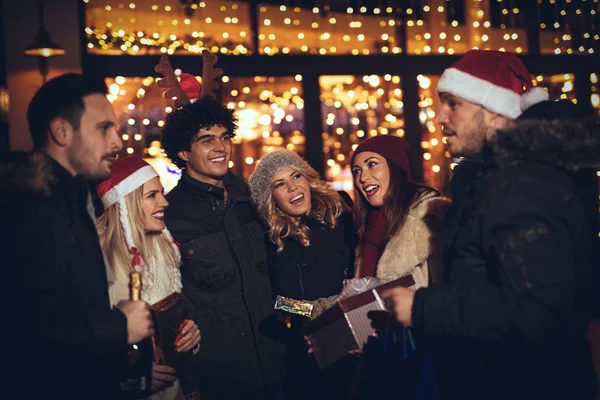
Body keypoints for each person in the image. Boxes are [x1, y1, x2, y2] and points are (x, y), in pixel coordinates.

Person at [381, 50, 599, 399]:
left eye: (453, 104)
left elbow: (538, 312)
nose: (439, 117)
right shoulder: (495, 181)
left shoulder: (524, 185)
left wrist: (422, 307)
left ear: (496, 111)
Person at [2, 73, 153, 399]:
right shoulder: (31, 209)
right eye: (104, 129)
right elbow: (25, 331)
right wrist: (119, 327)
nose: (117, 142)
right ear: (61, 131)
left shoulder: (74, 198)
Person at [161, 97, 284, 400]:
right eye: (206, 140)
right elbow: (164, 300)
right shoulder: (170, 215)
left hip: (279, 363)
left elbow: (280, 280)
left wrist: (312, 311)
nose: (221, 147)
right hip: (221, 377)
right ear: (182, 152)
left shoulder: (254, 198)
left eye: (224, 137)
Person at [248, 149, 358, 400]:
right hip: (304, 351)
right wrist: (308, 310)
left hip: (352, 340)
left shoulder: (341, 214)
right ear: (270, 197)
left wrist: (335, 307)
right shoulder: (267, 240)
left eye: (296, 176)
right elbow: (272, 300)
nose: (292, 187)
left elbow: (363, 274)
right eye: (280, 184)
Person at [349, 134, 450, 399]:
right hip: (380, 357)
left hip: (422, 355)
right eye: (357, 171)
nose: (363, 177)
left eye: (372, 164)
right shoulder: (368, 232)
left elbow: (447, 291)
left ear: (395, 167)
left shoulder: (431, 215)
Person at [96, 155, 202, 399]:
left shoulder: (164, 250)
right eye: (152, 195)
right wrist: (126, 373)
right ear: (126, 203)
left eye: (162, 193)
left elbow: (175, 318)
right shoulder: (96, 261)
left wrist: (191, 336)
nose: (164, 202)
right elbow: (73, 345)